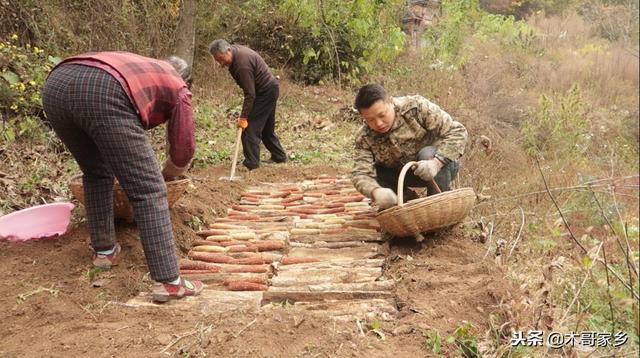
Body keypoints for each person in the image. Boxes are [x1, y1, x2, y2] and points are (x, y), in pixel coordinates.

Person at [42, 51, 203, 302]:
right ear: (187, 81)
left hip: (56, 85)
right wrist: (170, 172)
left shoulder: (143, 68)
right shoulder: (178, 86)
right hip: (103, 91)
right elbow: (183, 147)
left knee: (96, 173)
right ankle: (169, 282)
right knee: (149, 189)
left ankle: (104, 252)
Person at [351, 84, 468, 211]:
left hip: (439, 167)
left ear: (391, 101)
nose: (378, 123)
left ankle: (438, 210)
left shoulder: (415, 107)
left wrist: (437, 163)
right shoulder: (364, 137)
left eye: (382, 115)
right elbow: (360, 173)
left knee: (426, 153)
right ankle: (407, 206)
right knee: (377, 172)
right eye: (370, 120)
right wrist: (375, 191)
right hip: (404, 173)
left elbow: (458, 131)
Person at [208, 39, 287, 170]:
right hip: (269, 88)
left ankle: (251, 163)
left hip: (265, 92)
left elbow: (250, 94)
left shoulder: (241, 64)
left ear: (228, 50)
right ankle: (279, 156)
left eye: (221, 58)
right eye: (218, 61)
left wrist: (243, 117)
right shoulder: (234, 52)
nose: (221, 63)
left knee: (250, 128)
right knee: (267, 128)